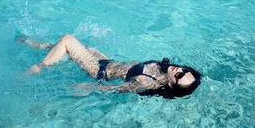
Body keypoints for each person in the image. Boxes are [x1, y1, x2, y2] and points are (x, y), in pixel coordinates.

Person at [18, 34, 201, 99]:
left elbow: (119, 89)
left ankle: (38, 67)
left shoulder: (149, 84)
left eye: (179, 76)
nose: (179, 71)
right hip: (105, 61)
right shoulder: (161, 70)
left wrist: (90, 89)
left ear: (171, 85)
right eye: (184, 70)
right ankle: (32, 43)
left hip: (97, 70)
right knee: (70, 49)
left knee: (68, 40)